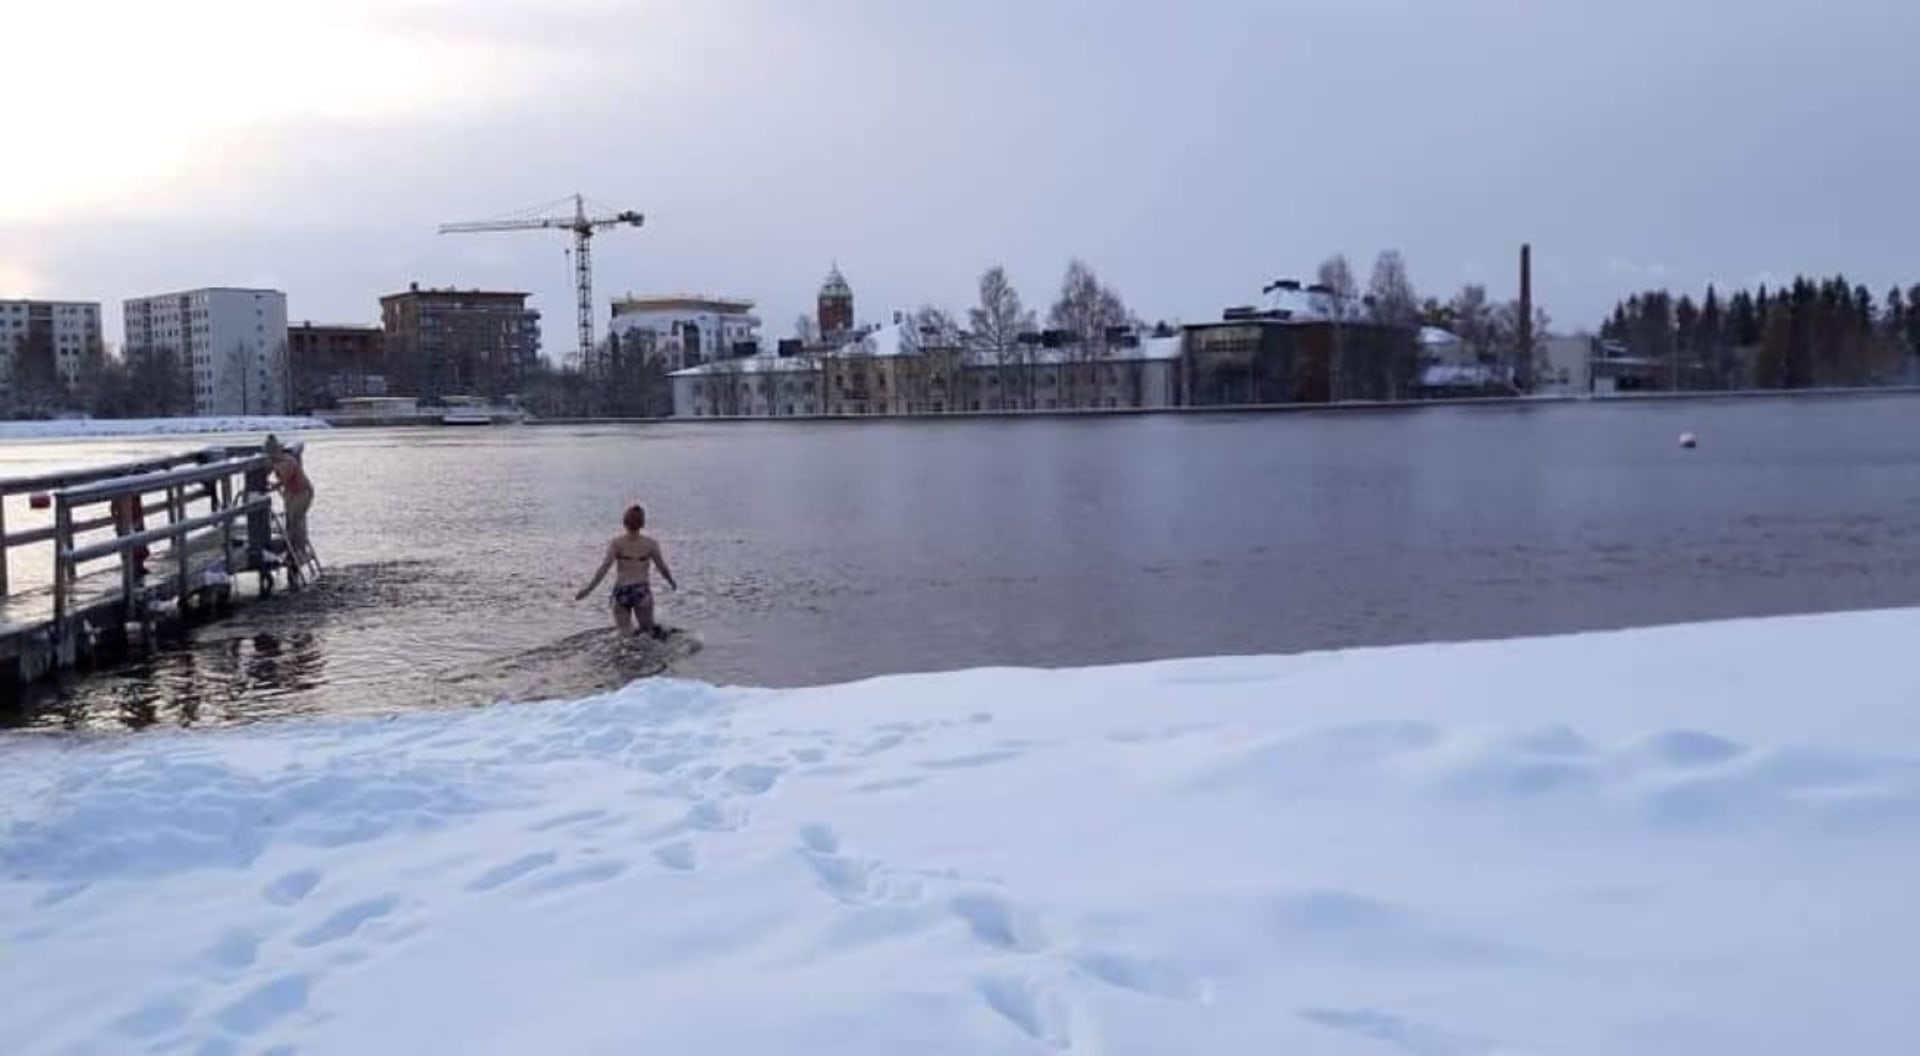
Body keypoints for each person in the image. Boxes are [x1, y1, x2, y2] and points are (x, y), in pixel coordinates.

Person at [575, 503, 678, 638]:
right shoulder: (650, 544)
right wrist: (671, 581)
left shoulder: (617, 543)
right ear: (642, 523)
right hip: (641, 591)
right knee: (647, 634)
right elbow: (662, 567)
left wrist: (588, 590)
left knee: (624, 636)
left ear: (624, 522)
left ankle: (624, 656)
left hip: (621, 592)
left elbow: (604, 567)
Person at [263, 434, 315, 565]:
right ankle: (295, 550)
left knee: (295, 522)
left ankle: (300, 551)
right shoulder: (279, 461)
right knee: (293, 522)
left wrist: (270, 486)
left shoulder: (287, 462)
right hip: (293, 493)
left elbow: (283, 481)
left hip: (302, 493)